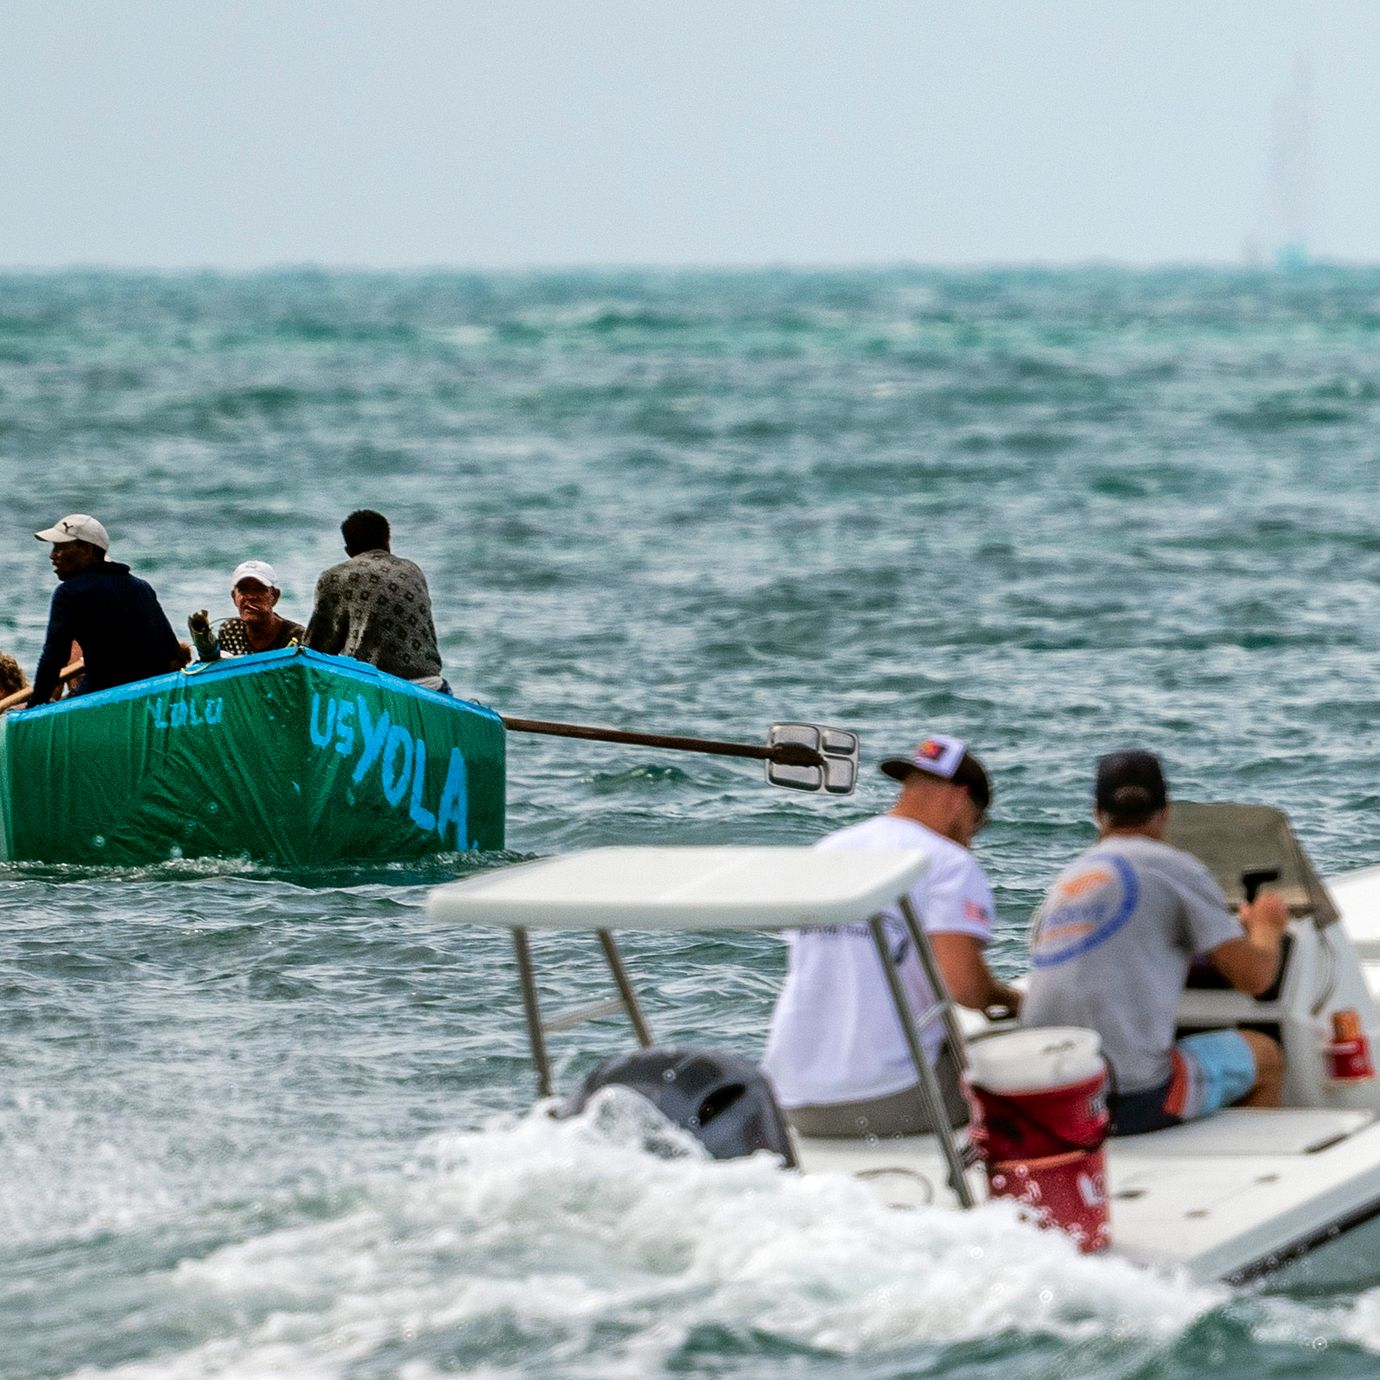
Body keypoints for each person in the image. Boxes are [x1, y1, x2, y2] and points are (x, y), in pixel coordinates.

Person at [762, 734, 1022, 1138]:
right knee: (1022, 1084)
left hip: (791, 1097)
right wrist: (1011, 999)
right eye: (978, 822)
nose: (972, 836)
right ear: (961, 799)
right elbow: (966, 989)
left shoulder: (828, 849)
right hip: (888, 1097)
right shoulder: (950, 863)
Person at [1022, 749, 1290, 1136]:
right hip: (1128, 1099)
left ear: (1097, 813)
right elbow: (1256, 978)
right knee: (1265, 1055)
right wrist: (1266, 926)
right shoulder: (1176, 867)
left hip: (1048, 1099)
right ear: (1165, 810)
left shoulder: (1067, 882)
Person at [25, 514, 180, 707]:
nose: (52, 555)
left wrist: (34, 706)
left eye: (60, 547)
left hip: (103, 697)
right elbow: (172, 654)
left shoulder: (68, 593)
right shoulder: (142, 587)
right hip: (153, 696)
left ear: (86, 550)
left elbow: (54, 657)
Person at [304, 510, 449, 692]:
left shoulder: (335, 577)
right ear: (388, 540)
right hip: (432, 685)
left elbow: (317, 648)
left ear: (348, 550)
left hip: (376, 689)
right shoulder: (413, 570)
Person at [188, 560, 306, 661]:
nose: (251, 596)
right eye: (243, 590)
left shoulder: (297, 637)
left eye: (259, 589)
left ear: (274, 596)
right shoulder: (230, 631)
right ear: (234, 597)